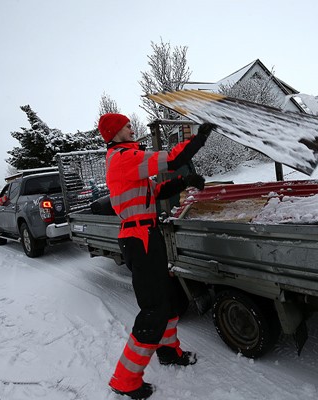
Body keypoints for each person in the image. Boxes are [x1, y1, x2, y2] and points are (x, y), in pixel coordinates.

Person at [98, 113, 215, 399]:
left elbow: (155, 190)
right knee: (154, 310)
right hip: (139, 239)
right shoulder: (123, 158)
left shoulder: (126, 160)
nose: (130, 127)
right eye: (125, 125)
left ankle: (168, 352)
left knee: (170, 300)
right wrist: (198, 139)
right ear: (114, 133)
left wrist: (185, 181)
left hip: (148, 235)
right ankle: (125, 379)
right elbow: (171, 159)